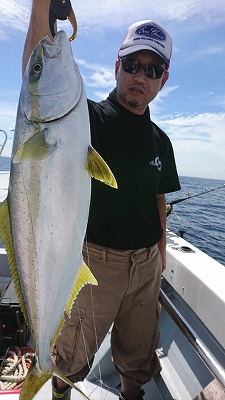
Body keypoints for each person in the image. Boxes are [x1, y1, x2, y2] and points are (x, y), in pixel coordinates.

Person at [23, 3, 181, 400]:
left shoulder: (162, 141)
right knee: (70, 357)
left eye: (152, 70)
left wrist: (160, 253)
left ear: (163, 79)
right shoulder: (84, 119)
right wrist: (41, 7)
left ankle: (132, 394)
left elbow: (158, 196)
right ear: (116, 67)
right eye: (132, 65)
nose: (139, 77)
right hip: (95, 262)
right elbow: (38, 87)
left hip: (145, 266)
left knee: (138, 356)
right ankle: (56, 389)